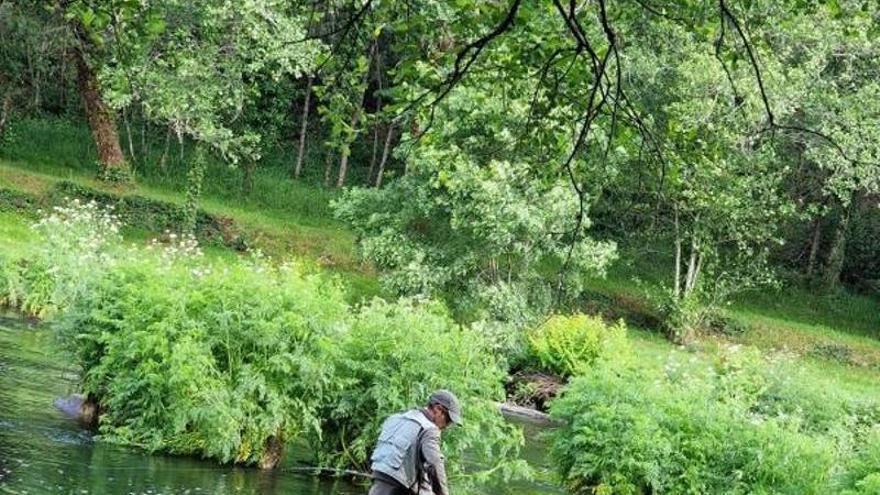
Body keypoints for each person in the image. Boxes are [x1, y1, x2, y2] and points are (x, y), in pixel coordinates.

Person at [367, 390, 462, 495]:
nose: (446, 426)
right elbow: (435, 464)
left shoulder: (396, 418)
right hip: (399, 486)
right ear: (438, 409)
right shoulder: (430, 429)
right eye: (448, 420)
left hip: (378, 477)